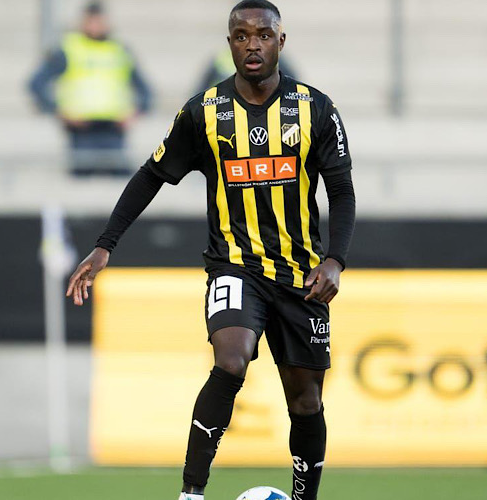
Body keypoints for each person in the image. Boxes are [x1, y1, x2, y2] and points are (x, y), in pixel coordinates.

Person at [65, 1, 355, 499]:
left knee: (306, 401)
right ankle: (191, 493)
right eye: (241, 36)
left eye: (262, 35)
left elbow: (342, 190)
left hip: (301, 276)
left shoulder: (315, 108)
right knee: (231, 360)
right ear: (229, 44)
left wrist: (335, 260)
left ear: (280, 41)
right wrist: (104, 245)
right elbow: (151, 175)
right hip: (234, 267)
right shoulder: (205, 112)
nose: (252, 45)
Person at [28, 1, 152, 176]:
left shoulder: (119, 51)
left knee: (121, 180)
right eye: (91, 21)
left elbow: (146, 91)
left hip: (113, 128)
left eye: (98, 21)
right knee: (82, 178)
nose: (95, 26)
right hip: (82, 129)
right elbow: (36, 84)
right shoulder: (68, 49)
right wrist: (59, 111)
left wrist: (135, 113)